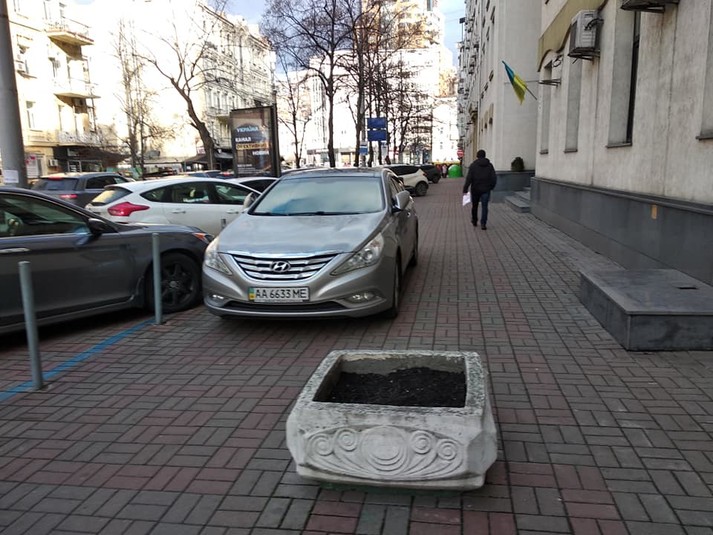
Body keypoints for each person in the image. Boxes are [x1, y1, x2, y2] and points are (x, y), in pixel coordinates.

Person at [463, 149, 497, 230]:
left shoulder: (473, 165)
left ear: (477, 156)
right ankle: (483, 224)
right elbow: (494, 177)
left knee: (475, 206)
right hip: (486, 189)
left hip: (475, 189)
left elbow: (469, 178)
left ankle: (474, 220)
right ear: (485, 156)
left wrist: (465, 188)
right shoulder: (490, 165)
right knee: (485, 207)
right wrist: (491, 187)